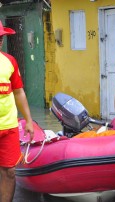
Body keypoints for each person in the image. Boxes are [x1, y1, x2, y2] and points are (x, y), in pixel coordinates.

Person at [0, 20, 34, 202]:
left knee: (10, 172)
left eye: (1, 37)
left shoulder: (9, 61)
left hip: (9, 127)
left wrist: (28, 120)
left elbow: (19, 92)